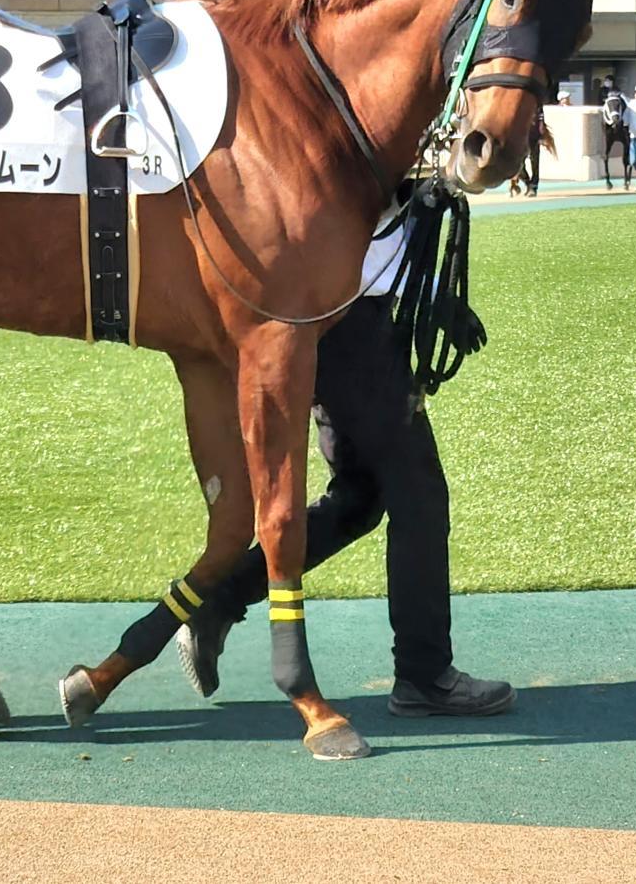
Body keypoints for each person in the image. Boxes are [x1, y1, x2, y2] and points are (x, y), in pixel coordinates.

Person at [175, 199, 512, 723]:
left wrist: (432, 293)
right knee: (419, 496)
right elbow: (357, 204)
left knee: (361, 496)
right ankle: (424, 676)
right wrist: (431, 294)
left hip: (333, 315)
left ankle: (219, 598)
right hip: (349, 318)